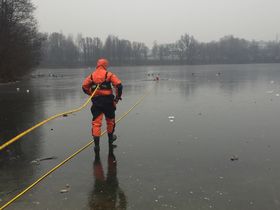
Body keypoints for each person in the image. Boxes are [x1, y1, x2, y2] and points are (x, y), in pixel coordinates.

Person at [82, 58, 123, 153]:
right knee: (110, 121)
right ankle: (110, 139)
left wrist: (91, 93)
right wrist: (117, 98)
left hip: (97, 102)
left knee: (96, 123)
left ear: (97, 65)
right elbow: (119, 85)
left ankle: (96, 146)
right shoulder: (109, 74)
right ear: (105, 65)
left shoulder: (92, 76)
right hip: (108, 102)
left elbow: (84, 87)